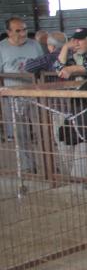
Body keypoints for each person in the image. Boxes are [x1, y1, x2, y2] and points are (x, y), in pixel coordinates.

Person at [0, 17, 43, 168]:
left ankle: (48, 165)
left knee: (43, 129)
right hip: (13, 96)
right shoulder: (1, 48)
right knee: (21, 133)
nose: (23, 33)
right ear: (9, 32)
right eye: (18, 30)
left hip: (35, 94)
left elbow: (43, 67)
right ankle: (28, 165)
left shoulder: (35, 45)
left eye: (24, 29)